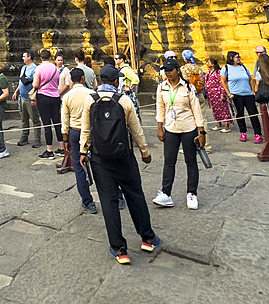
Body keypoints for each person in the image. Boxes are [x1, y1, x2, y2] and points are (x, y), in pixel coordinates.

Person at [79, 64, 161, 264]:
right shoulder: (124, 101)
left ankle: (119, 249)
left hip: (100, 158)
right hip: (123, 157)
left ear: (99, 81)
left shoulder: (90, 100)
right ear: (116, 81)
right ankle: (147, 238)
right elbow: (136, 130)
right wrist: (145, 152)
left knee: (108, 201)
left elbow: (86, 129)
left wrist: (83, 150)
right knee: (135, 195)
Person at [154, 59, 206, 209]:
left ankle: (192, 193)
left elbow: (196, 109)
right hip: (171, 128)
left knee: (190, 161)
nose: (168, 72)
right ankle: (166, 193)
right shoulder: (162, 87)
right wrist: (160, 127)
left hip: (188, 128)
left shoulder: (188, 87)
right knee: (169, 161)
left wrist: (201, 131)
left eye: (170, 69)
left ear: (178, 70)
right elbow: (160, 107)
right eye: (165, 70)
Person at [61, 67, 96, 212]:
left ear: (71, 80)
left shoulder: (67, 96)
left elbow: (65, 120)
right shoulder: (92, 94)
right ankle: (115, 196)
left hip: (75, 132)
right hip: (92, 132)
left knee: (78, 165)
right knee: (98, 163)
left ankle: (88, 201)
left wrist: (65, 139)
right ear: (83, 79)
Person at [220, 52, 262, 143]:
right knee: (240, 114)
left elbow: (250, 79)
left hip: (248, 94)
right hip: (236, 94)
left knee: (253, 113)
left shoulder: (243, 67)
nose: (239, 58)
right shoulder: (226, 68)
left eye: (239, 57)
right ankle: (243, 132)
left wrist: (253, 91)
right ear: (231, 58)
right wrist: (228, 93)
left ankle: (258, 133)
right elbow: (223, 81)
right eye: (237, 57)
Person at [32, 48, 65, 159]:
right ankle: (61, 147)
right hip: (55, 96)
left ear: (41, 58)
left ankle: (49, 150)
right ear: (50, 57)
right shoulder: (56, 69)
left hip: (43, 96)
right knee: (57, 122)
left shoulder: (39, 68)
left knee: (46, 124)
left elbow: (35, 84)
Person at [12, 51, 39, 147]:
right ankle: (24, 136)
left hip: (30, 97)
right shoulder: (23, 68)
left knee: (34, 119)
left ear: (29, 57)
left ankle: (37, 139)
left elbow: (35, 83)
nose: (23, 58)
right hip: (22, 96)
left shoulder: (35, 68)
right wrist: (16, 91)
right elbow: (21, 81)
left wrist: (34, 98)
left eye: (24, 56)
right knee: (24, 119)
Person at [203, 57, 232, 132]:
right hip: (211, 94)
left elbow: (222, 83)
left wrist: (223, 93)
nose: (207, 64)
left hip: (218, 93)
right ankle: (218, 124)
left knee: (223, 109)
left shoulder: (218, 72)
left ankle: (227, 126)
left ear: (212, 64)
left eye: (208, 62)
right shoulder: (208, 72)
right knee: (215, 109)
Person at [114, 53, 141, 118]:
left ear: (121, 60)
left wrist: (130, 88)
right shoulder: (120, 69)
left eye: (116, 59)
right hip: (122, 93)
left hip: (127, 94)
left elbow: (135, 78)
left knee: (133, 113)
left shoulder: (125, 69)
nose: (115, 60)